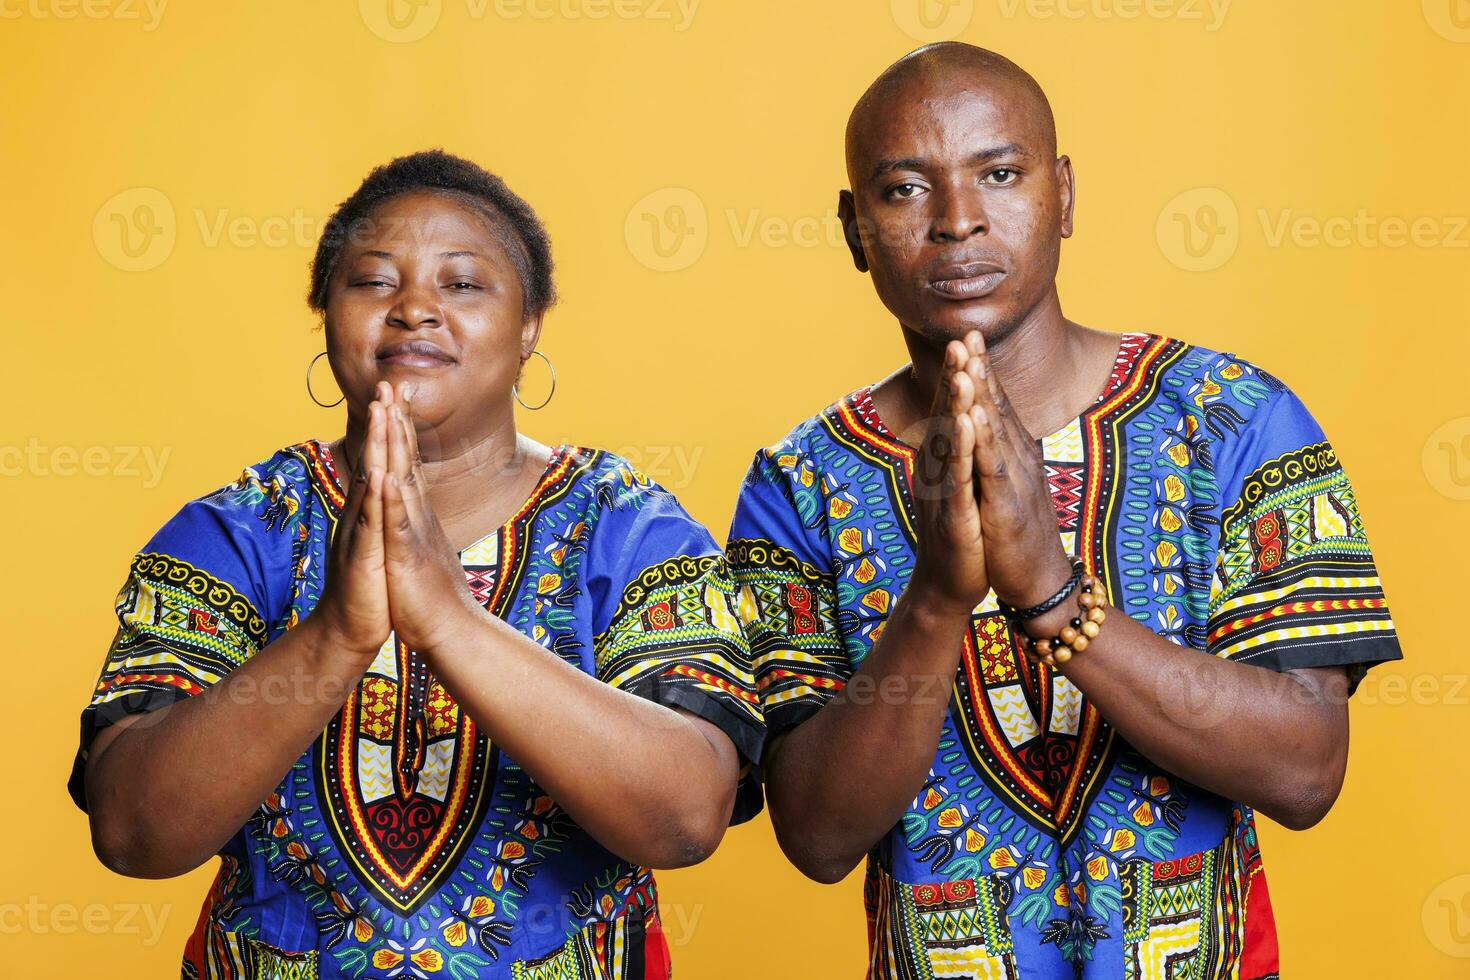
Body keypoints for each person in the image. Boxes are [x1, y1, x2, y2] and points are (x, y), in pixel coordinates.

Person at [727, 44, 1400, 977]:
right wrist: (934, 600)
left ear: (1065, 195)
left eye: (999, 174)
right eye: (905, 191)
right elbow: (817, 833)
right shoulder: (798, 480)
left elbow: (1305, 769)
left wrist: (1049, 591)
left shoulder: (1236, 418)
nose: (959, 223)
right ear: (854, 229)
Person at [68, 149, 763, 979]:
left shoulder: (630, 528)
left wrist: (449, 621)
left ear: (530, 320)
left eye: (463, 285)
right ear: (324, 309)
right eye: (372, 282)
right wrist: (333, 637)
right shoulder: (236, 532)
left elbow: (687, 819)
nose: (414, 312)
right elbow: (133, 833)